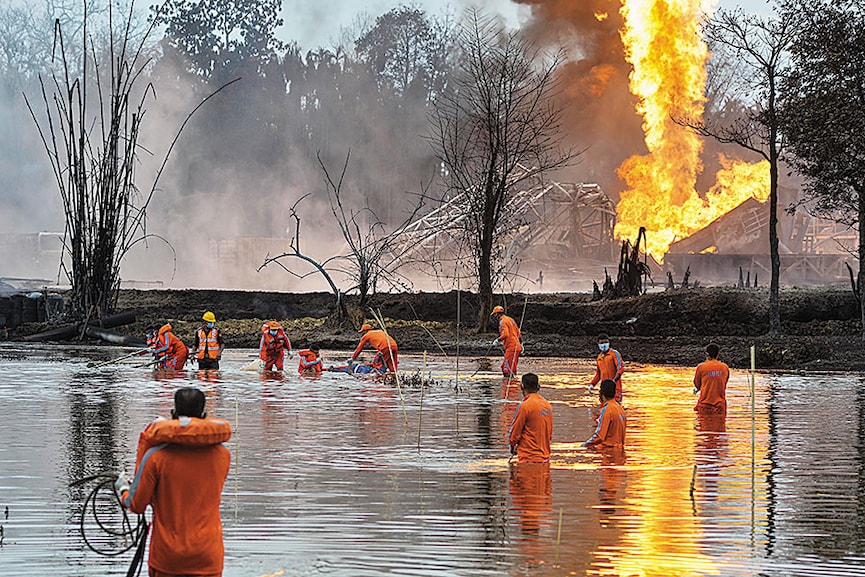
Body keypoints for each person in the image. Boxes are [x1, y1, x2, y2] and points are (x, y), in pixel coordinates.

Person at [115, 387, 231, 577]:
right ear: (204, 415)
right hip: (208, 555)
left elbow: (136, 504)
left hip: (167, 558)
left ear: (173, 414)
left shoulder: (156, 457)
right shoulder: (223, 456)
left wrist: (124, 490)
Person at [508, 373, 553, 463]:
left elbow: (515, 433)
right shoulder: (548, 406)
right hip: (545, 458)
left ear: (522, 387)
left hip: (528, 457)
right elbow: (549, 434)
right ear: (538, 387)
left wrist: (512, 447)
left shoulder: (524, 406)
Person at [581, 379, 626, 448]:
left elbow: (600, 436)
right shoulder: (620, 409)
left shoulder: (606, 410)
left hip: (607, 452)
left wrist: (584, 445)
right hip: (619, 450)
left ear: (601, 394)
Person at [693, 342, 730, 415]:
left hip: (705, 405)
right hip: (720, 406)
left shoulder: (701, 367)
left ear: (707, 355)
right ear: (718, 355)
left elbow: (697, 385)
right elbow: (724, 383)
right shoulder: (725, 368)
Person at [589, 333, 624, 402]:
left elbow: (620, 369)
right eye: (602, 343)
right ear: (598, 344)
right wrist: (592, 384)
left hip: (615, 389)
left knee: (616, 408)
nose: (604, 345)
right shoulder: (599, 358)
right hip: (604, 390)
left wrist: (613, 381)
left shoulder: (614, 353)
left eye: (606, 342)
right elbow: (598, 374)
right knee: (603, 409)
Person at [491, 305, 523, 378]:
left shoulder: (502, 321)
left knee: (506, 369)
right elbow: (518, 333)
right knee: (510, 368)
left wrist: (498, 340)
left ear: (496, 314)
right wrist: (521, 344)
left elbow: (506, 334)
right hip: (517, 347)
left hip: (511, 347)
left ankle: (508, 387)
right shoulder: (510, 319)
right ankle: (513, 385)